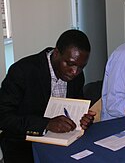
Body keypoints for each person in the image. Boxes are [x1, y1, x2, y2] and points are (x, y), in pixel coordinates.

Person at [0, 29, 96, 163]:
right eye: (70, 64)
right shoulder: (22, 71)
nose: (74, 72)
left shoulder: (77, 75)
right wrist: (46, 124)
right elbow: (4, 118)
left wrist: (84, 119)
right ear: (56, 53)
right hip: (24, 144)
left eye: (81, 67)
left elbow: (77, 107)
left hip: (63, 142)